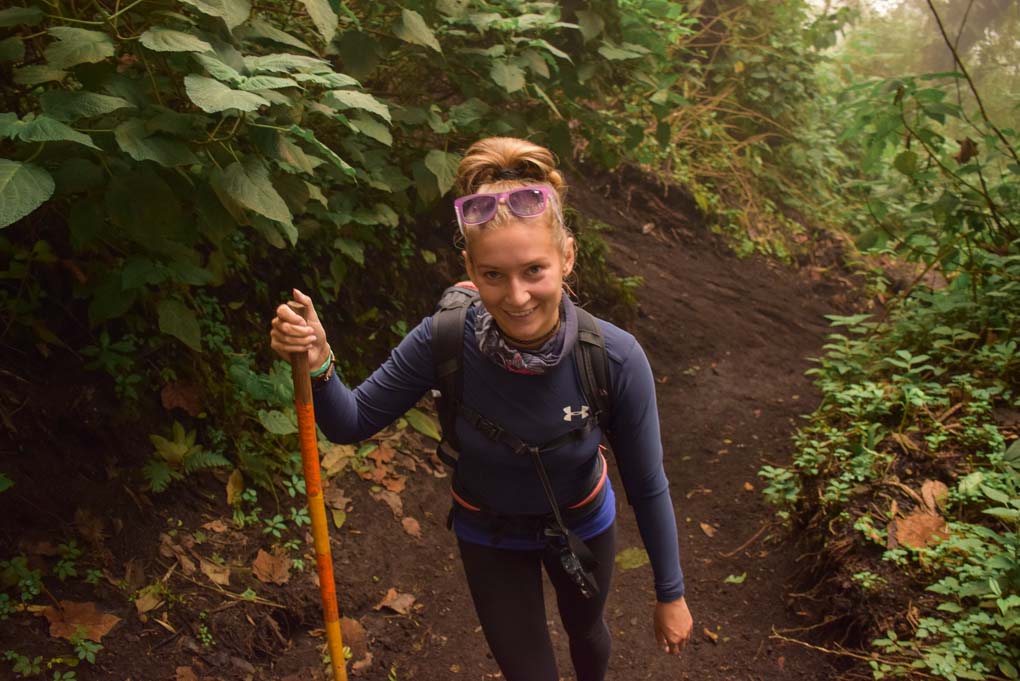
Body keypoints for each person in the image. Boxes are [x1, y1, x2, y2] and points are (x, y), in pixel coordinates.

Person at [270, 137, 693, 681]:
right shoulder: (444, 340)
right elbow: (349, 422)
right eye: (493, 275)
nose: (516, 296)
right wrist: (320, 360)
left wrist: (671, 593)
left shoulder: (613, 357)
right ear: (469, 266)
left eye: (534, 270)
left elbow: (648, 482)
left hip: (582, 522)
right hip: (488, 534)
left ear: (567, 256)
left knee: (587, 633)